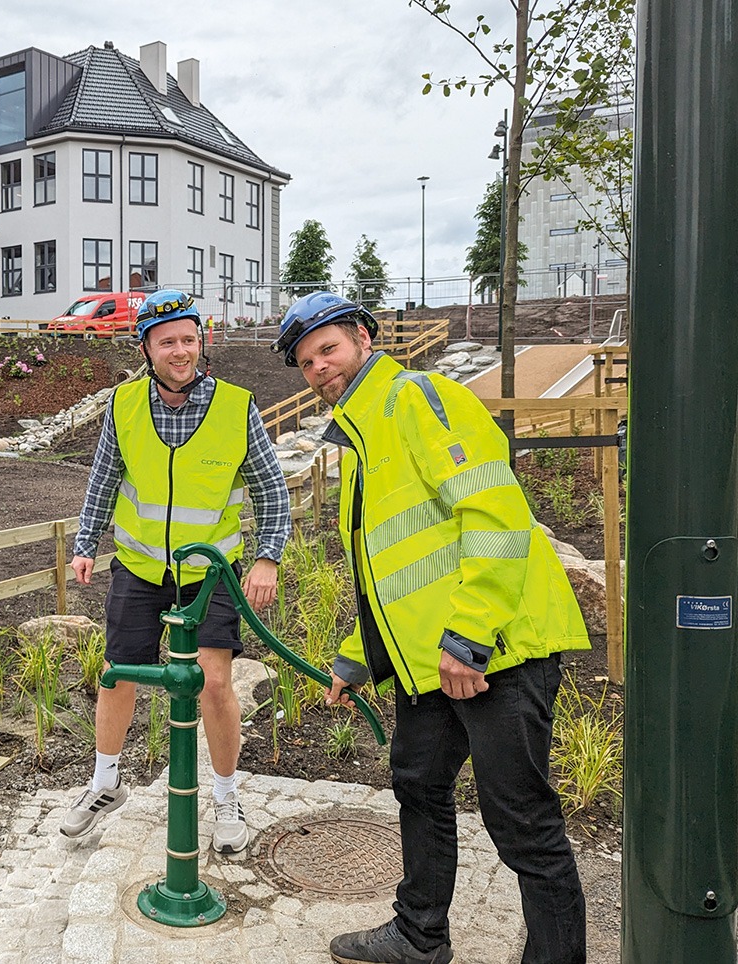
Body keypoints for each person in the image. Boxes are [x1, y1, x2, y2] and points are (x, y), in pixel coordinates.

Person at [272, 292, 590, 964]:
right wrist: (357, 658)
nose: (319, 369)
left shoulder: (417, 397)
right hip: (432, 657)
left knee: (522, 823)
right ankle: (419, 936)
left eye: (326, 349)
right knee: (417, 780)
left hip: (495, 648)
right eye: (305, 363)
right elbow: (392, 576)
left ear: (362, 336)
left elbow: (495, 514)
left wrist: (470, 637)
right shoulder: (359, 442)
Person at [62, 289, 291, 853]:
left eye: (189, 339)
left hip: (211, 572)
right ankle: (104, 784)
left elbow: (271, 491)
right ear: (147, 348)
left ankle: (226, 796)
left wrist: (267, 556)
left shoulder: (237, 407)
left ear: (200, 342)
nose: (181, 351)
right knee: (118, 673)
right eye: (168, 342)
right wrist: (86, 541)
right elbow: (104, 478)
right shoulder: (123, 405)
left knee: (213, 681)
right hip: (139, 567)